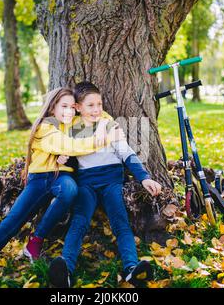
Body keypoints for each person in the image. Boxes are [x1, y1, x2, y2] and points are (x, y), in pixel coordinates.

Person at [0, 87, 124, 287]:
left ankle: (35, 241)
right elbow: (70, 146)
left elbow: (97, 112)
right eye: (64, 106)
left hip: (61, 177)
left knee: (70, 189)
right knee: (10, 225)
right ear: (52, 107)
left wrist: (111, 124)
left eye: (72, 107)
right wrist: (106, 139)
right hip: (39, 180)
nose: (70, 111)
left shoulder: (72, 123)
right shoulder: (45, 127)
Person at [48, 82, 162, 288]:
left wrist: (144, 177)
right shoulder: (71, 130)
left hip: (111, 182)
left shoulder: (110, 126)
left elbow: (127, 153)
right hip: (86, 184)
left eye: (99, 104)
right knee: (79, 221)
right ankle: (65, 268)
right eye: (90, 105)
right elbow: (70, 155)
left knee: (120, 222)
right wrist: (63, 158)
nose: (97, 109)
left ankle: (131, 269)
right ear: (78, 108)